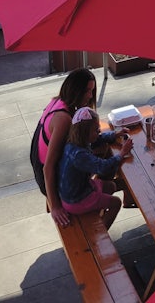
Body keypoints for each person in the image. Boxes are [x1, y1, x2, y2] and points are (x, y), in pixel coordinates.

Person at [37, 68, 98, 227]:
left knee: (99, 148)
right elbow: (48, 167)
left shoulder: (57, 101)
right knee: (101, 152)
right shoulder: (63, 119)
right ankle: (91, 201)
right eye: (87, 91)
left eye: (92, 91)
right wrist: (55, 206)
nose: (90, 96)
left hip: (44, 169)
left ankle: (94, 192)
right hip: (51, 180)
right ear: (75, 90)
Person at [57, 107, 133, 229]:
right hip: (77, 199)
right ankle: (100, 234)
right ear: (86, 132)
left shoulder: (76, 141)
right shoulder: (79, 155)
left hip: (78, 190)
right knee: (116, 203)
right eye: (96, 130)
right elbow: (103, 167)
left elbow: (98, 139)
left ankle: (98, 208)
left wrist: (115, 134)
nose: (99, 131)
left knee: (111, 186)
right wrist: (122, 153)